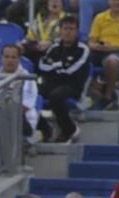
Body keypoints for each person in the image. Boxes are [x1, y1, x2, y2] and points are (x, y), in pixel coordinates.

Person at [37, 14, 90, 144]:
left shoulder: (83, 49)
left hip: (72, 86)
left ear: (77, 32)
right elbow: (41, 65)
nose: (68, 32)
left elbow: (71, 71)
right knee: (29, 93)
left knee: (56, 96)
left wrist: (54, 65)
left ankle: (69, 130)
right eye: (65, 28)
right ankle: (45, 129)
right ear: (60, 30)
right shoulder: (53, 47)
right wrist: (59, 65)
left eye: (71, 29)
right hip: (51, 83)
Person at [0, 44, 38, 141]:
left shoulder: (27, 78)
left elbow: (26, 106)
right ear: (1, 58)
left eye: (13, 57)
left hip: (20, 120)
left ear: (19, 59)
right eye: (7, 57)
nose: (10, 60)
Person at [23, 0, 64, 64]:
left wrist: (50, 43)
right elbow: (29, 37)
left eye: (57, 1)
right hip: (36, 51)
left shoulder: (66, 19)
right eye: (52, 0)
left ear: (62, 4)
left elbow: (67, 39)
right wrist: (35, 44)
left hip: (57, 51)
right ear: (47, 4)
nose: (54, 2)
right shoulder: (40, 19)